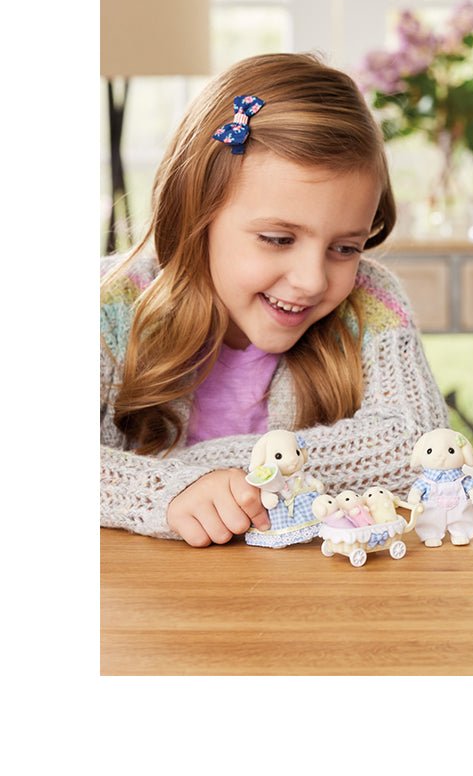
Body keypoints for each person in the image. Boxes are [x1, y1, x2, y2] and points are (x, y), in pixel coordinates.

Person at [101, 52, 448, 546]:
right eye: (279, 239)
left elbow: (420, 446)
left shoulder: (370, 301)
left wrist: (201, 472)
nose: (311, 280)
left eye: (345, 248)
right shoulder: (111, 305)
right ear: (195, 214)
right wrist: (166, 492)